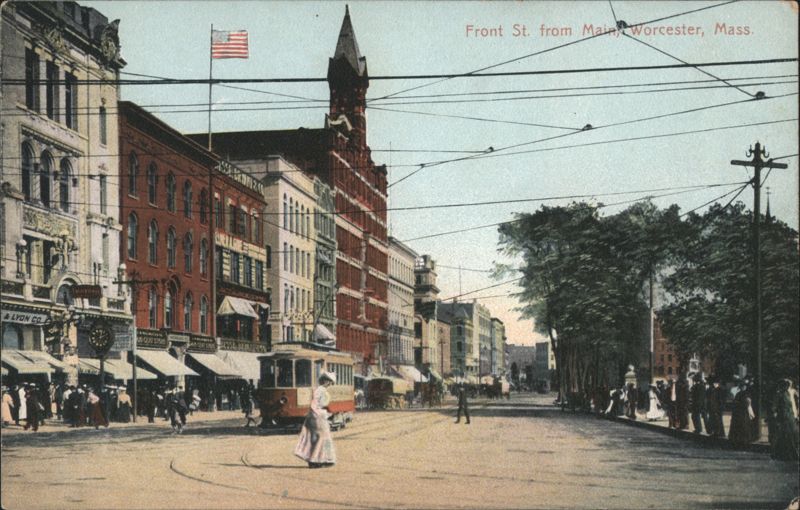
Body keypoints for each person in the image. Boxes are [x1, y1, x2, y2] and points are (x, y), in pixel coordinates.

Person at [294, 371, 337, 468]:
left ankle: (324, 459)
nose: (330, 384)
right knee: (321, 438)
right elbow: (316, 404)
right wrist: (324, 412)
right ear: (325, 381)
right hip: (318, 417)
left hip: (316, 416)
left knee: (319, 438)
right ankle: (316, 460)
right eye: (329, 382)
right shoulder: (320, 390)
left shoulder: (319, 389)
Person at [769, 379, 799, 461]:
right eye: (786, 385)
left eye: (789, 385)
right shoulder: (779, 394)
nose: (788, 386)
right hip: (783, 417)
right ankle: (779, 454)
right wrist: (774, 414)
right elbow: (774, 406)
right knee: (783, 435)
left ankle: (792, 454)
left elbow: (792, 404)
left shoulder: (789, 394)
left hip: (790, 417)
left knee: (793, 434)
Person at [729, 379, 755, 446]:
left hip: (740, 412)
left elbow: (738, 402)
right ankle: (744, 441)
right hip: (743, 412)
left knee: (741, 427)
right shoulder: (746, 394)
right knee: (744, 427)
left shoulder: (741, 394)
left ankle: (740, 441)